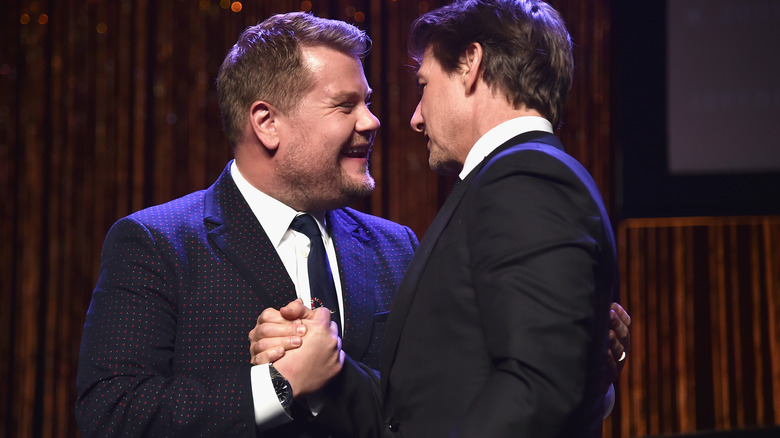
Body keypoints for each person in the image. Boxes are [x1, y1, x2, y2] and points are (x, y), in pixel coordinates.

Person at [250, 1, 625, 437]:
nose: (415, 117)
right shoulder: (510, 179)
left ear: (470, 64)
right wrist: (323, 364)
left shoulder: (527, 177)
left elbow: (538, 392)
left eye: (423, 84)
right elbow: (424, 409)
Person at [75, 12, 419, 437]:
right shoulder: (157, 243)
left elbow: (433, 403)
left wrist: (336, 373)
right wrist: (278, 386)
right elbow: (112, 414)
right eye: (345, 105)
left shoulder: (397, 246)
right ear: (267, 123)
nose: (371, 121)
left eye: (367, 102)